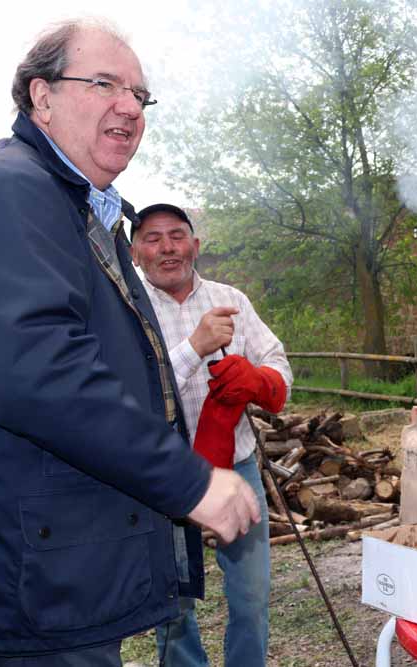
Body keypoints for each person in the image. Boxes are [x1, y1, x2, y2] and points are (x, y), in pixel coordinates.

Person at [0, 19, 261, 665]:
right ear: (40, 96)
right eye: (103, 83)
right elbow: (44, 371)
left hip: (58, 573)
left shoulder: (85, 211)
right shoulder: (14, 187)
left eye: (139, 94)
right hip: (27, 588)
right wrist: (189, 481)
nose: (129, 106)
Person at [131, 203, 293, 667]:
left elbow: (278, 363)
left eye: (176, 235)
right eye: (153, 238)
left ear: (195, 245)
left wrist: (258, 379)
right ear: (135, 252)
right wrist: (194, 348)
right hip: (163, 474)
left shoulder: (232, 300)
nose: (167, 248)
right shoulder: (129, 311)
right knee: (173, 605)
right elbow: (130, 398)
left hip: (237, 467)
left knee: (251, 595)